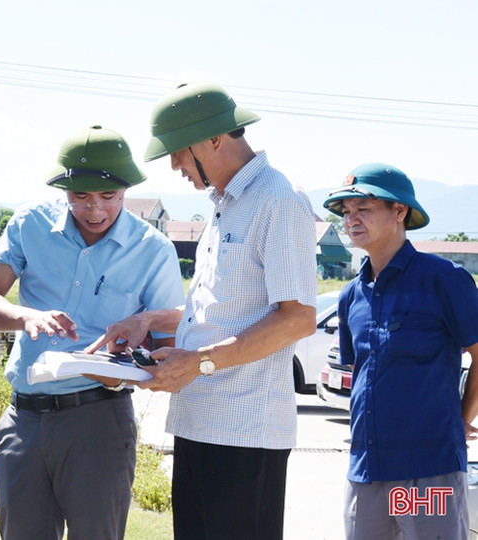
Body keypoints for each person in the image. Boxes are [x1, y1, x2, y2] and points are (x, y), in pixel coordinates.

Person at [87, 83, 318, 539]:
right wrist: (150, 321)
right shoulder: (224, 204)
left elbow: (297, 318)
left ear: (214, 140)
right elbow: (223, 308)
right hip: (201, 424)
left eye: (176, 152)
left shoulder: (279, 200)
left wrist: (201, 362)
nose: (173, 165)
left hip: (245, 435)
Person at [0, 125, 185, 540]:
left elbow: (166, 347)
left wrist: (129, 362)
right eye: (81, 197)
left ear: (126, 191)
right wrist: (23, 316)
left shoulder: (154, 249)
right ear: (63, 190)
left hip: (100, 420)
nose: (95, 210)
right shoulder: (29, 223)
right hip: (24, 419)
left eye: (109, 198)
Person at [323, 163, 478, 540]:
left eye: (364, 208)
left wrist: (461, 418)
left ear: (399, 211)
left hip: (428, 470)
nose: (351, 219)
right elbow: (363, 376)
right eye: (346, 211)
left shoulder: (443, 280)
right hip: (366, 469)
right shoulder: (351, 295)